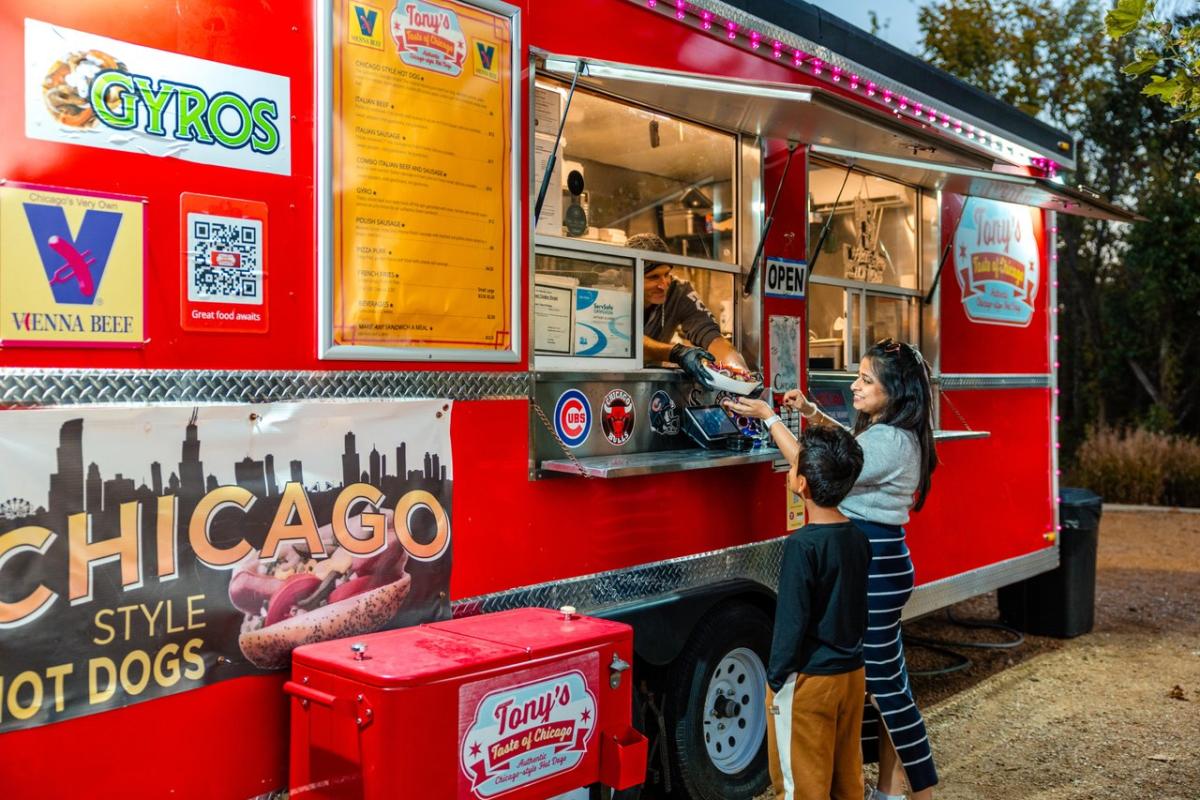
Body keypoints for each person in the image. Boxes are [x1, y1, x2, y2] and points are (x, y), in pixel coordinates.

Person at [725, 338, 939, 800]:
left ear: (896, 391)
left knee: (888, 688)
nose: (855, 386)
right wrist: (811, 412)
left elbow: (819, 464)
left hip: (877, 562)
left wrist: (771, 418)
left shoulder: (889, 440)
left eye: (866, 380)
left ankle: (918, 790)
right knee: (887, 683)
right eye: (858, 376)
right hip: (882, 557)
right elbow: (846, 446)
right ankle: (889, 790)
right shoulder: (892, 431)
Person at [764, 424, 871, 800]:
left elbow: (791, 622)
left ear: (802, 484)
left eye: (793, 468)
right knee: (847, 780)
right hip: (852, 674)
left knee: (802, 786)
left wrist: (775, 681)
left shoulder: (801, 546)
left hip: (809, 681)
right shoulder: (858, 537)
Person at [626, 232, 748, 386]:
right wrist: (676, 352)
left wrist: (742, 374)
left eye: (667, 274)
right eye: (653, 277)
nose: (664, 285)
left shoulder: (678, 291)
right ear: (630, 276)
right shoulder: (612, 290)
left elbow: (711, 336)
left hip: (648, 387)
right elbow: (625, 341)